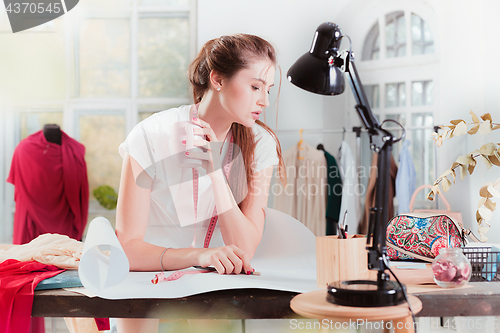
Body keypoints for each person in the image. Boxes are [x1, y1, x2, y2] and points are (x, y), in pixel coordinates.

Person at [114, 33, 285, 332]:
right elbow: (127, 248)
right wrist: (200, 256)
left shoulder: (260, 142)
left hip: (214, 285)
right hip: (145, 281)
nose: (265, 101)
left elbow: (244, 248)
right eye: (256, 87)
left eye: (268, 90)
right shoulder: (151, 134)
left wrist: (214, 170)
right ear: (218, 80)